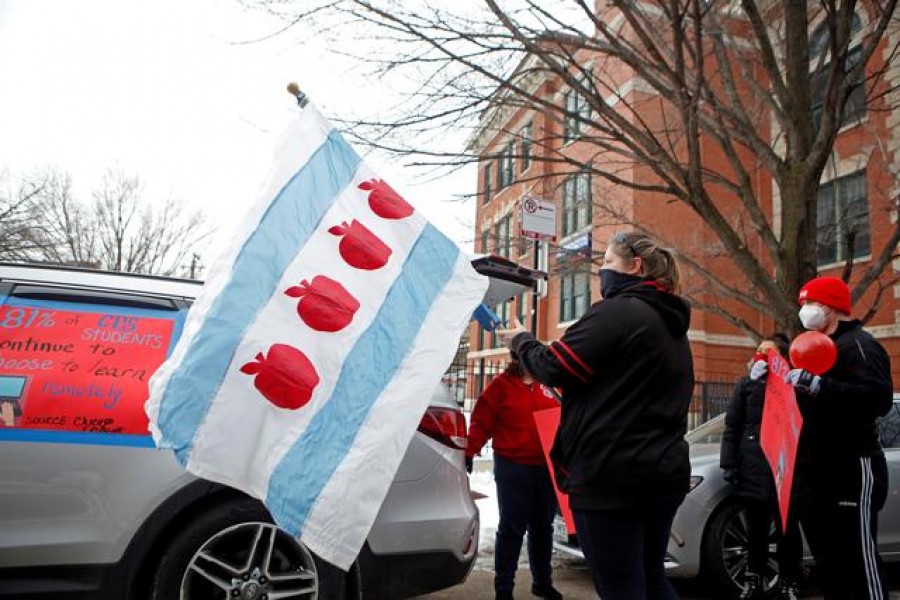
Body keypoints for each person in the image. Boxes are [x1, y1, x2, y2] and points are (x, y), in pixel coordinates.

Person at [498, 232, 694, 600]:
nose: (600, 272)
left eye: (607, 263)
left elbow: (556, 366)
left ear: (635, 266)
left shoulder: (618, 311)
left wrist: (523, 341)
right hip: (661, 474)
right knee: (651, 578)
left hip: (612, 477)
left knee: (620, 586)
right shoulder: (671, 327)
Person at [786, 276, 893, 599]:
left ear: (831, 307)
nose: (804, 311)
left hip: (850, 469)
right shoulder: (814, 347)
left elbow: (878, 399)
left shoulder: (859, 345)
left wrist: (821, 386)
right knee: (829, 568)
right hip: (817, 472)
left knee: (858, 566)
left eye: (810, 304)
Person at [466, 354, 563, 600]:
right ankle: (504, 589)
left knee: (543, 528)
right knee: (511, 528)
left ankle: (542, 582)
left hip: (546, 468)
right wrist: (469, 450)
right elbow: (481, 421)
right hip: (513, 468)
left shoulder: (550, 385)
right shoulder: (501, 386)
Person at [720, 334, 803, 600]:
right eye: (758, 350)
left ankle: (789, 582)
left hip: (784, 471)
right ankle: (753, 581)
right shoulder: (747, 385)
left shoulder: (794, 385)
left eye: (767, 351)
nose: (761, 354)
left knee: (787, 531)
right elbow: (732, 426)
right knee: (755, 531)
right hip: (753, 469)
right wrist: (729, 464)